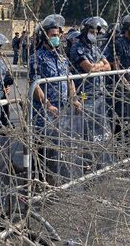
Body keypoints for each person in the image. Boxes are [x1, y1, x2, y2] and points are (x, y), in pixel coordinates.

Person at [29, 14, 81, 180]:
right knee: (43, 150)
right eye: (53, 36)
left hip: (62, 111)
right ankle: (40, 182)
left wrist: (74, 98)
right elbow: (35, 84)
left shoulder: (61, 57)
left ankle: (55, 178)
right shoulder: (37, 58)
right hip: (44, 114)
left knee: (58, 149)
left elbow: (69, 79)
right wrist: (47, 104)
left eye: (58, 35)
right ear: (45, 37)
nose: (57, 38)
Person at [69, 16, 111, 167]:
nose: (94, 34)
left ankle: (99, 161)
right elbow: (88, 68)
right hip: (84, 94)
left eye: (96, 32)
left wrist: (96, 66)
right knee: (86, 132)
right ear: (85, 31)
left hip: (98, 94)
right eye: (91, 31)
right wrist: (97, 66)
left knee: (100, 132)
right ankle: (86, 163)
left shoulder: (95, 47)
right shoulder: (77, 47)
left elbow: (108, 66)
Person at [104, 13, 130, 144]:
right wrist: (128, 87)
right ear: (127, 27)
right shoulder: (118, 43)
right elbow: (117, 68)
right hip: (119, 87)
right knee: (122, 118)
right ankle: (120, 147)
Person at [0, 33, 14, 127]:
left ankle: (5, 122)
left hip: (2, 94)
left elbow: (7, 76)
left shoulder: (0, 60)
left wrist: (8, 85)